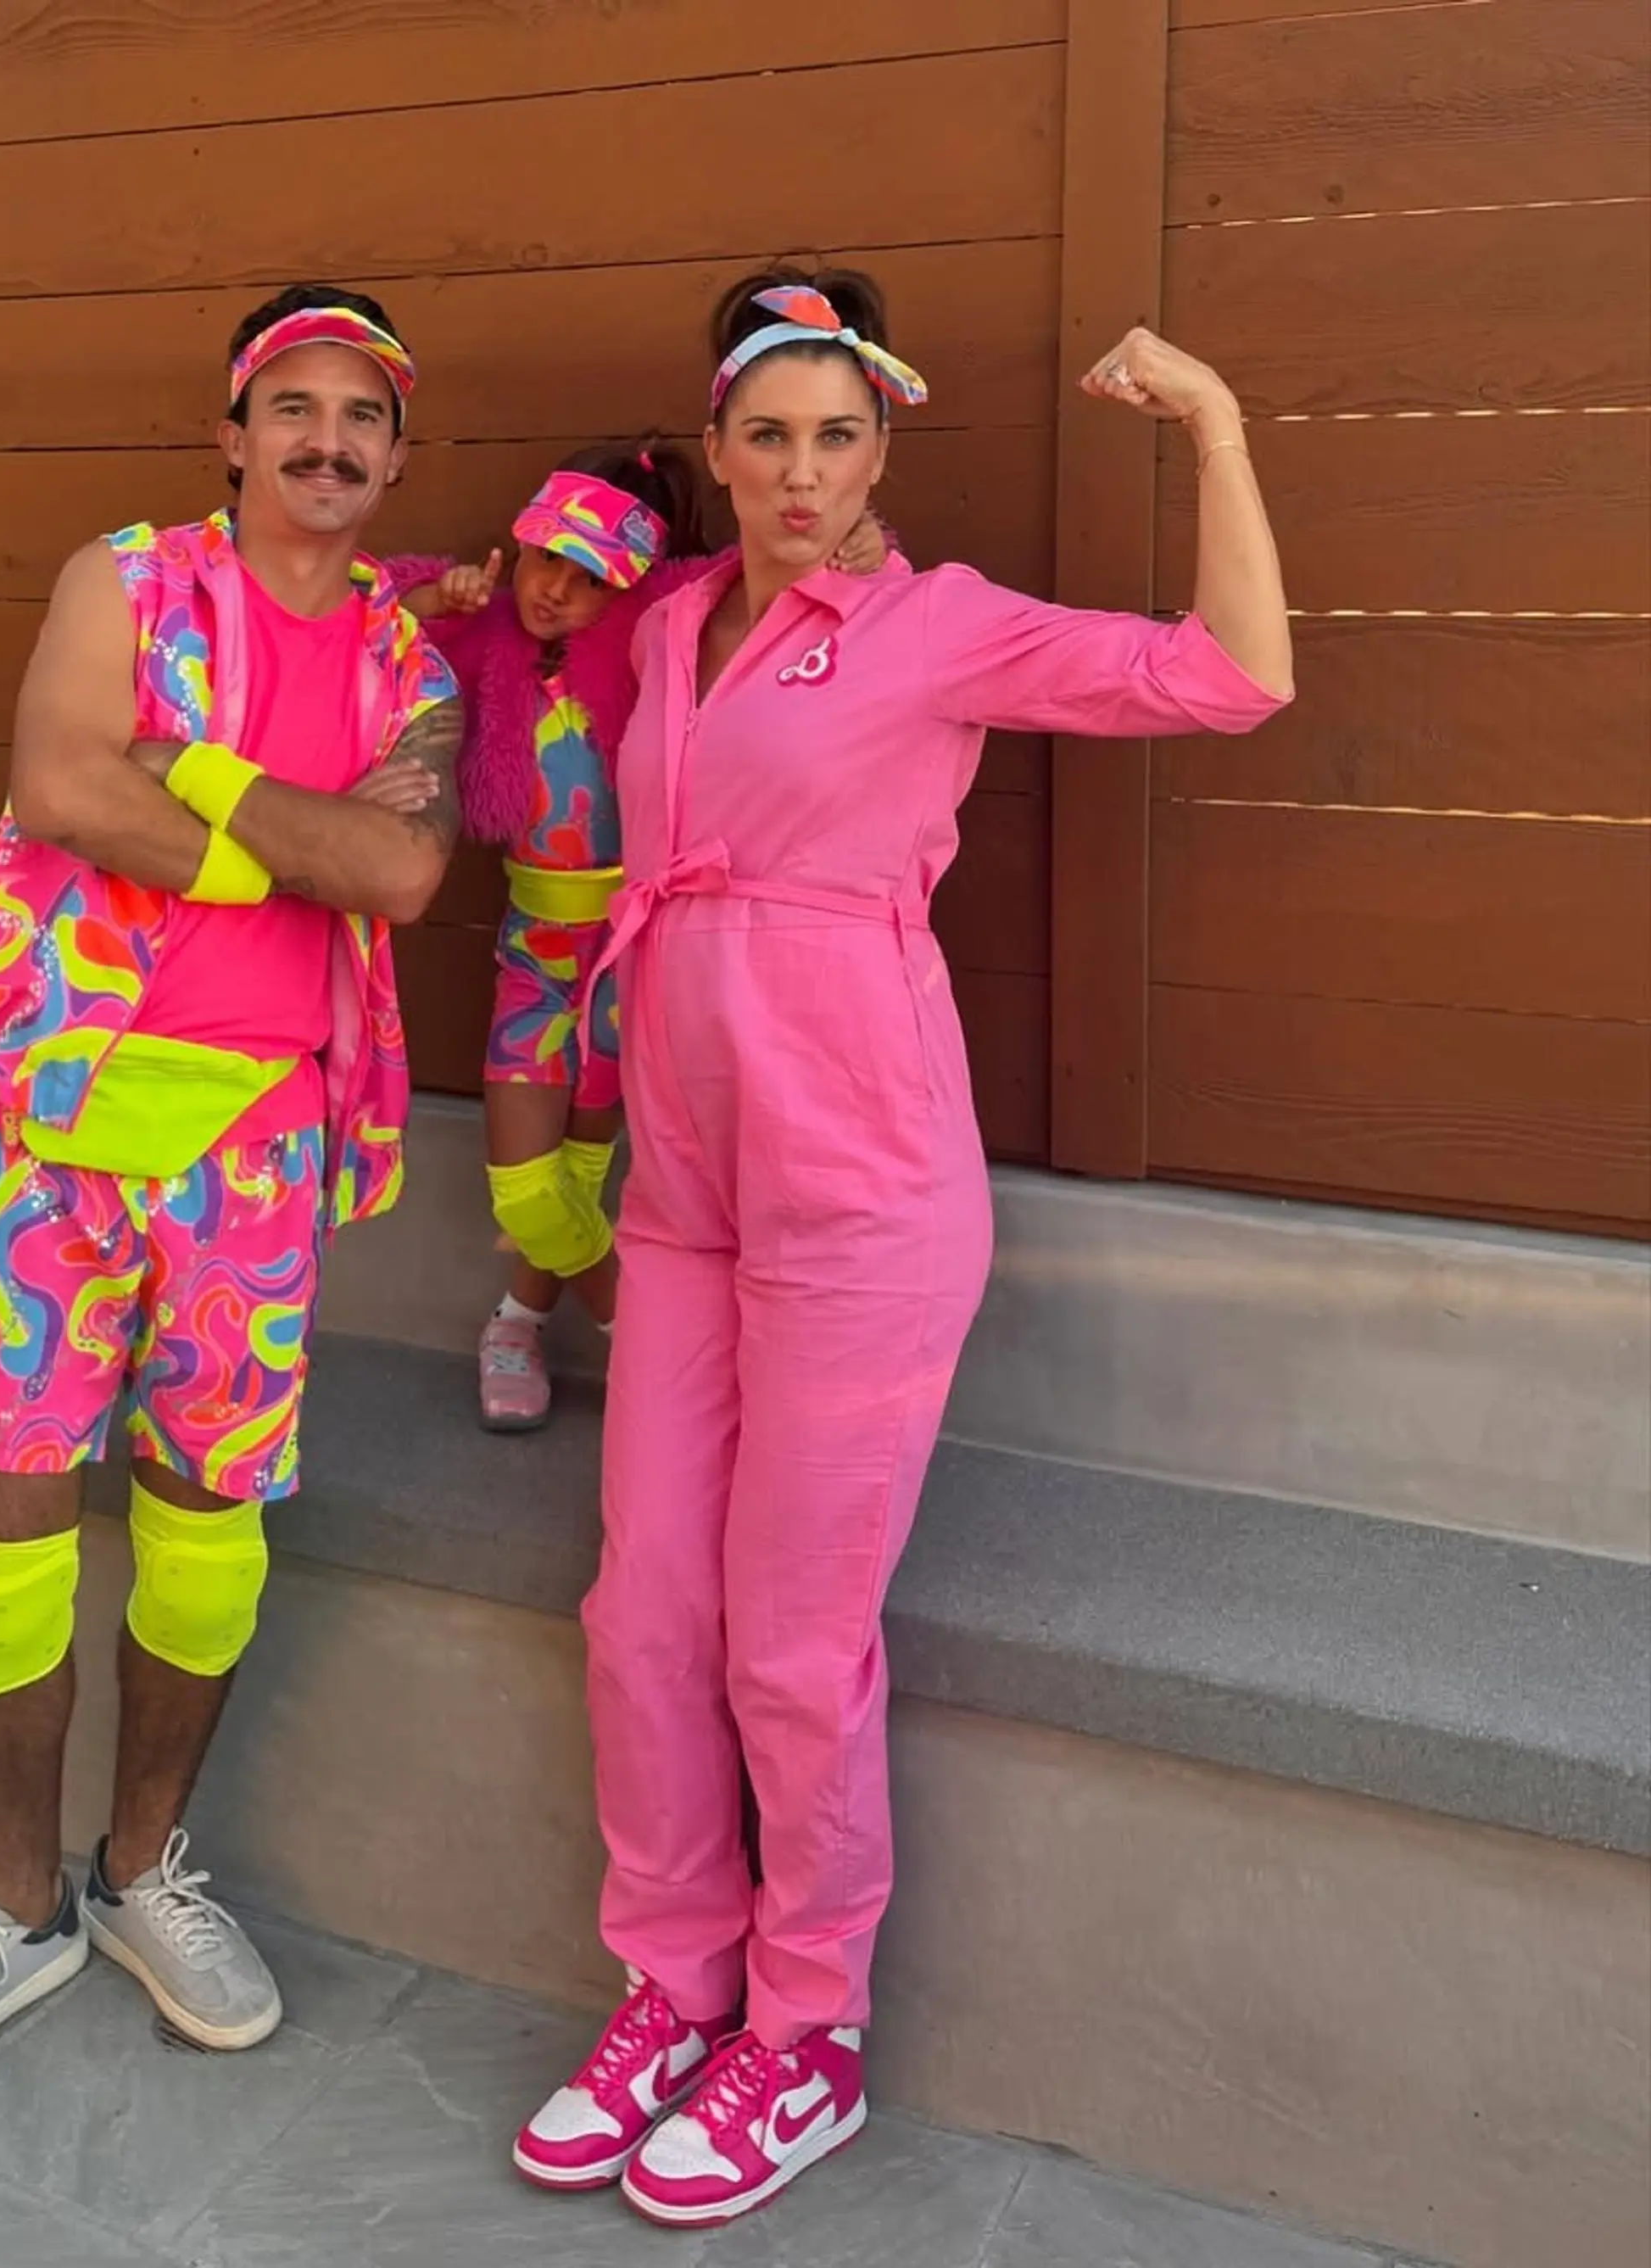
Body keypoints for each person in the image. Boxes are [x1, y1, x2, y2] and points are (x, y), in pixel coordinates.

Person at [511, 268, 1293, 2226]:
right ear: (711, 451)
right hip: (681, 1189)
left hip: (857, 1186)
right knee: (640, 1616)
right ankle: (668, 1978)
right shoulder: (673, 625)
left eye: (835, 435)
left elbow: (1229, 675)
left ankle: (806, 2030)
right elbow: (506, 620)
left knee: (788, 1636)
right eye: (762, 436)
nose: (797, 472)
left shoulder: (937, 629)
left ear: (882, 448)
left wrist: (1208, 425)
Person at [0, 283, 462, 2098]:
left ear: (394, 454)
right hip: (38, 1124)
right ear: (233, 429)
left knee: (207, 1533)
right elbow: (55, 787)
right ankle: (15, 1905)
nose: (325, 441)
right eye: (293, 408)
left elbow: (404, 871)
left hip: (251, 1148)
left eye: (361, 417)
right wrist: (294, 832)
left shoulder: (407, 667)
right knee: (2, 1545)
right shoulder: (125, 576)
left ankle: (140, 1871)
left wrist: (177, 766)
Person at [390, 449, 885, 1431]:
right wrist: (434, 600)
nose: (555, 590)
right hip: (533, 955)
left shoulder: (655, 643)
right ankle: (647, 1340)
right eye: (543, 561)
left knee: (581, 1171)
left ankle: (518, 1318)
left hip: (636, 957)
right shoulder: (486, 642)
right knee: (527, 1188)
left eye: (588, 577)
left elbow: (760, 586)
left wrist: (857, 543)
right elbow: (371, 625)